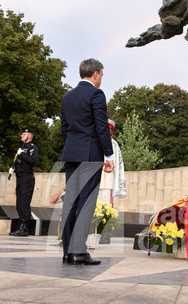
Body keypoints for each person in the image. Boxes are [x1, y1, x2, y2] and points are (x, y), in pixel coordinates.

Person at [60, 58, 114, 265]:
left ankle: (67, 252)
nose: (101, 79)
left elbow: (65, 129)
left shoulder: (67, 97)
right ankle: (79, 252)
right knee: (86, 203)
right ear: (96, 74)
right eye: (101, 75)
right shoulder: (96, 94)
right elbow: (102, 127)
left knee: (70, 203)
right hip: (90, 156)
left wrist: (73, 147)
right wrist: (108, 155)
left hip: (71, 155)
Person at [9, 128, 39, 237]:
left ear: (29, 136)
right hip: (19, 177)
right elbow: (18, 161)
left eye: (24, 134)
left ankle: (25, 228)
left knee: (24, 202)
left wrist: (22, 155)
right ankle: (20, 226)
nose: (21, 135)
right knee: (19, 203)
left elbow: (32, 161)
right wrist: (13, 168)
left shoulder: (32, 148)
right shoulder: (21, 148)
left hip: (27, 177)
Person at [98, 119, 127, 205]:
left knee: (107, 206)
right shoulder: (95, 142)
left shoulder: (114, 144)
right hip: (96, 179)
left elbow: (117, 163)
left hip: (108, 181)